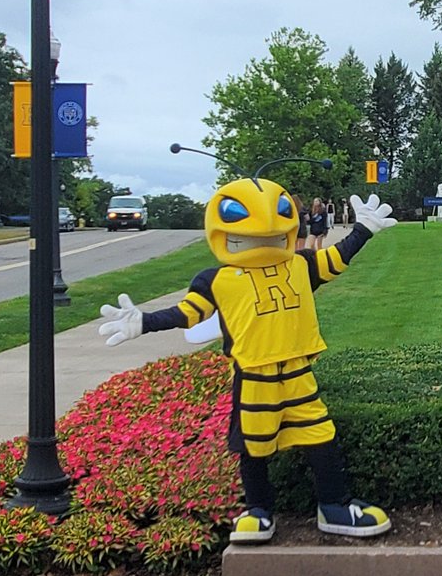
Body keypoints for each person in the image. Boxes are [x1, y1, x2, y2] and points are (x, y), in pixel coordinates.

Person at [98, 181, 398, 543]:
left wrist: (363, 230)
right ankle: (258, 510)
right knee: (253, 445)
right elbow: (187, 313)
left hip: (298, 372)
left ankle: (334, 505)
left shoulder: (300, 265)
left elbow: (337, 257)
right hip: (254, 376)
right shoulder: (218, 280)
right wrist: (145, 322)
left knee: (321, 437)